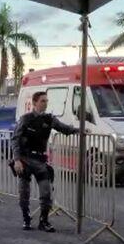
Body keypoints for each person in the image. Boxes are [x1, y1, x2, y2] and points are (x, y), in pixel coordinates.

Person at [11, 91, 80, 233]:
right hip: (25, 160)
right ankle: (26, 218)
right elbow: (15, 140)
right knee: (24, 193)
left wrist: (79, 131)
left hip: (40, 160)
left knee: (46, 192)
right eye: (43, 101)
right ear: (35, 102)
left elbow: (64, 129)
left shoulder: (49, 119)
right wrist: (17, 160)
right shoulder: (26, 119)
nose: (45, 103)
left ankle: (44, 221)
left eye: (46, 101)